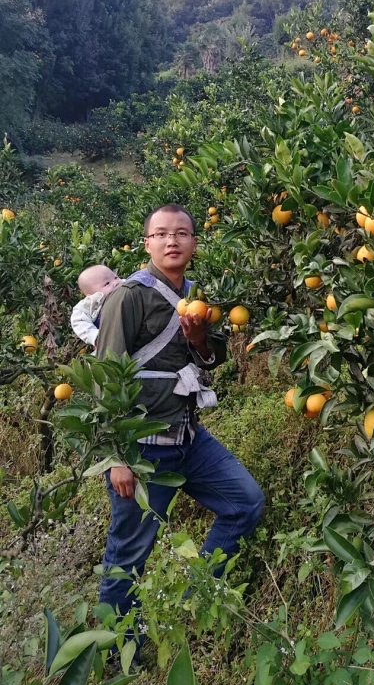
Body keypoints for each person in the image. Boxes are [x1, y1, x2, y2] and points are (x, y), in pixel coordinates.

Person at [95, 203, 265, 621]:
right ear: (147, 243)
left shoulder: (197, 297)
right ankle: (116, 646)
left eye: (181, 233)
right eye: (162, 234)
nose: (172, 241)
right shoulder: (128, 296)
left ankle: (195, 597)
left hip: (188, 437)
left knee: (245, 502)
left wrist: (200, 338)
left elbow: (212, 358)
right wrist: (116, 457)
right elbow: (104, 376)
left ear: (194, 242)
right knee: (129, 554)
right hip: (143, 448)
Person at [70, 265, 122, 346]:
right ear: (91, 295)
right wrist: (96, 337)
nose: (115, 283)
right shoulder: (88, 306)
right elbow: (79, 321)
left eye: (115, 278)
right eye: (107, 283)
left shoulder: (124, 286)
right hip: (111, 340)